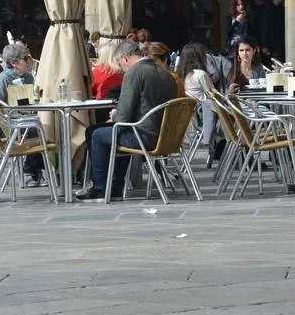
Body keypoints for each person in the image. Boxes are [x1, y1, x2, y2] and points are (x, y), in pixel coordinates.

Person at [76, 40, 178, 201]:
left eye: (120, 64)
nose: (121, 68)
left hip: (144, 136)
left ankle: (102, 188)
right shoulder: (166, 74)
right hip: (166, 137)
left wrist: (115, 115)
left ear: (124, 58)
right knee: (117, 131)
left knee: (94, 133)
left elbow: (123, 116)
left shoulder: (134, 72)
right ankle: (115, 186)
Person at [0, 42, 44, 187]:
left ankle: (40, 170)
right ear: (14, 63)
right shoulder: (3, 79)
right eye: (26, 58)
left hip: (26, 120)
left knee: (48, 127)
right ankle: (30, 171)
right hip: (9, 125)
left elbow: (28, 104)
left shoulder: (28, 78)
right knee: (39, 131)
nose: (30, 61)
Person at [178, 42, 216, 153]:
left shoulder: (180, 75)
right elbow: (212, 94)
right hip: (203, 116)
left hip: (189, 115)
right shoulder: (200, 74)